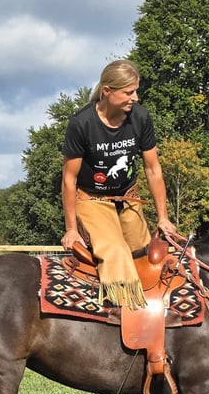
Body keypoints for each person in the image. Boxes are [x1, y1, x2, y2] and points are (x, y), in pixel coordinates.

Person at [61, 59, 178, 310]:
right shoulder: (82, 124)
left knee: (146, 254)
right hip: (92, 201)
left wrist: (163, 218)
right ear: (107, 91)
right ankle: (123, 316)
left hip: (128, 198)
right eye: (128, 92)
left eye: (136, 91)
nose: (134, 97)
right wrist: (71, 229)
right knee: (115, 252)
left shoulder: (140, 117)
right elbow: (69, 179)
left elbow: (153, 169)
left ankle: (157, 316)